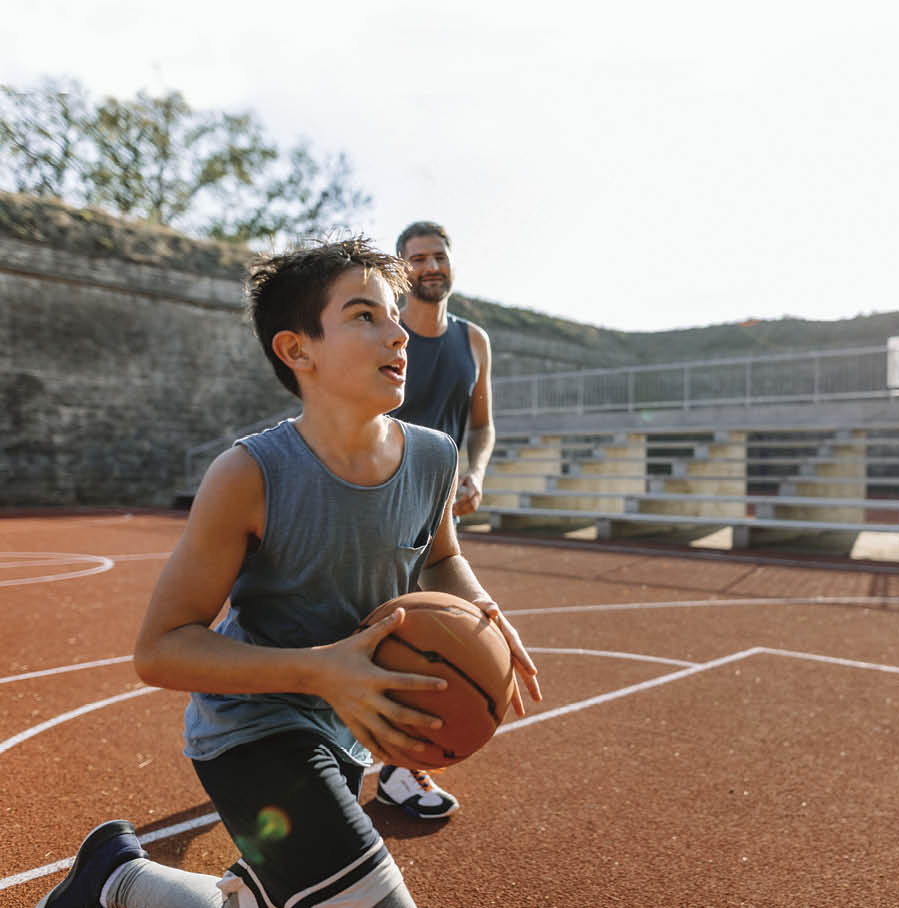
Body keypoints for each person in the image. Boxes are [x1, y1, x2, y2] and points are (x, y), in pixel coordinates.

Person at [38, 237, 540, 908]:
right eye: (365, 315)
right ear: (297, 350)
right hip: (252, 730)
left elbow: (441, 557)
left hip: (347, 723)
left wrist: (482, 613)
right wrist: (321, 668)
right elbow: (159, 649)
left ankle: (114, 879)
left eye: (395, 314)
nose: (397, 332)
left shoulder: (433, 457)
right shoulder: (250, 475)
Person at [376, 221, 495, 822]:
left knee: (427, 641)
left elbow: (482, 424)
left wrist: (474, 471)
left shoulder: (474, 340)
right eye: (416, 258)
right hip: (379, 503)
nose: (429, 266)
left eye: (438, 256)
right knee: (374, 628)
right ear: (402, 270)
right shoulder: (385, 335)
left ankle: (398, 764)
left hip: (441, 516)